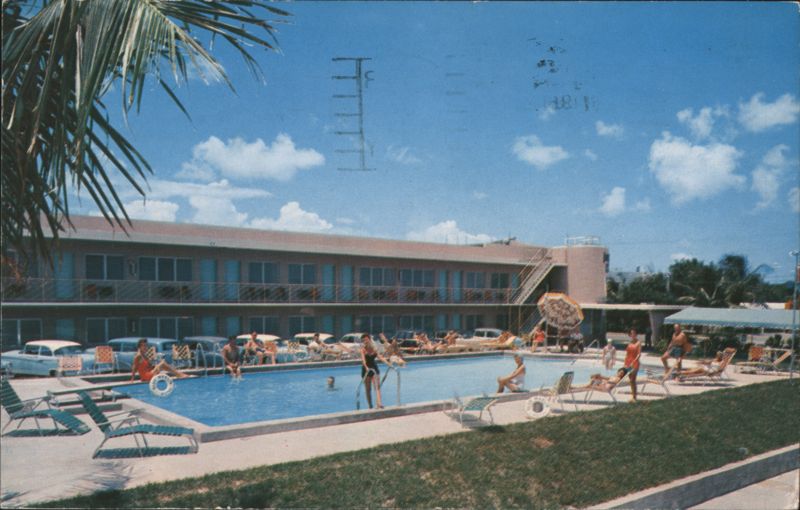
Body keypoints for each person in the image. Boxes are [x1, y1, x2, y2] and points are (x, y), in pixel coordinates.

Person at [360, 333, 392, 409]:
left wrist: (388, 363)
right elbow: (363, 360)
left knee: (377, 387)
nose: (365, 341)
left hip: (374, 368)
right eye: (363, 340)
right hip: (366, 369)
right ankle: (370, 405)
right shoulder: (363, 349)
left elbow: (380, 357)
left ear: (369, 339)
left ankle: (379, 404)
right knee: (368, 389)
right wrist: (366, 367)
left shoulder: (374, 348)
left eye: (366, 339)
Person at [622, 329, 642, 402]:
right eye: (631, 333)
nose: (633, 335)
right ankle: (633, 396)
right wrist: (625, 363)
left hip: (635, 363)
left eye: (634, 333)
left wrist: (634, 361)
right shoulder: (630, 342)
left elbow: (639, 354)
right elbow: (627, 354)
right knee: (630, 380)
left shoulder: (638, 343)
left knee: (633, 380)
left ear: (636, 334)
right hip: (628, 362)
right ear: (630, 335)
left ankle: (635, 397)